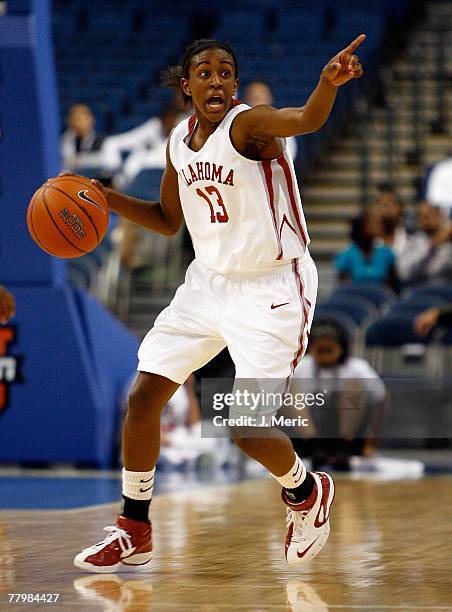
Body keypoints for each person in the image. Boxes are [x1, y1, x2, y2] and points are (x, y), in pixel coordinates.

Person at [73, 35, 365, 573]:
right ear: (186, 86)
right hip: (208, 282)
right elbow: (166, 220)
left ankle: (305, 492)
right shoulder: (179, 141)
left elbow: (304, 120)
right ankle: (134, 527)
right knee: (142, 401)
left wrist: (327, 84)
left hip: (273, 286)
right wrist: (108, 200)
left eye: (225, 72)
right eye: (204, 73)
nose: (217, 81)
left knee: (245, 428)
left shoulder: (248, 125)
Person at [291, 318, 387, 471]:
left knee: (353, 386)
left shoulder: (357, 368)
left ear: (341, 348)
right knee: (289, 389)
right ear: (311, 349)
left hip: (349, 437)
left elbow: (381, 400)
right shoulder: (301, 368)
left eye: (329, 350)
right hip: (310, 437)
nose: (325, 357)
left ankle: (342, 449)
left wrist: (371, 442)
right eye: (320, 351)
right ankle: (314, 446)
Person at [335, 209, 397, 288]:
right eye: (374, 223)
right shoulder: (346, 256)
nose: (379, 226)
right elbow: (344, 290)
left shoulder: (387, 254)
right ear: (362, 227)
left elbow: (392, 289)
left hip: (381, 299)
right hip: (354, 298)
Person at [396, 202, 452, 287]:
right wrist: (431, 246)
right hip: (418, 291)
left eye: (428, 216)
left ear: (439, 216)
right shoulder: (412, 241)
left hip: (445, 292)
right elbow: (403, 273)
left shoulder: (449, 242)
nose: (424, 220)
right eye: (420, 216)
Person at [243, 80, 297, 160]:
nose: (253, 102)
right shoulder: (237, 125)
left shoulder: (282, 126)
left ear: (269, 99)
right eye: (250, 98)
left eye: (257, 98)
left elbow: (289, 156)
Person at [61, 103, 105, 171]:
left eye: (78, 119)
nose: (75, 123)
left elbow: (108, 162)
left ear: (90, 119)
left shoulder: (102, 141)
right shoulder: (67, 140)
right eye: (72, 119)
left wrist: (81, 161)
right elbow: (66, 162)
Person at [374, 183, 410, 257]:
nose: (386, 209)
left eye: (390, 203)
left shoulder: (412, 236)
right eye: (382, 204)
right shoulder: (367, 240)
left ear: (400, 207)